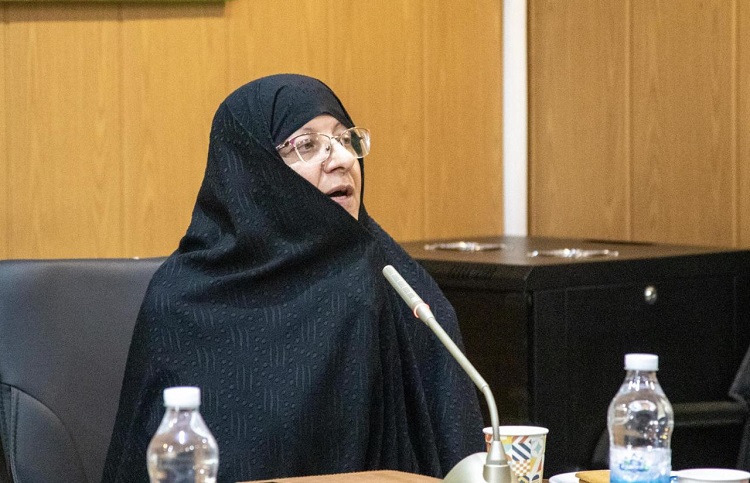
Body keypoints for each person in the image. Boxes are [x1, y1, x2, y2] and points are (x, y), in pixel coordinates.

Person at [102, 74, 483, 483]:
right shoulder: (181, 300)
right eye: (307, 145)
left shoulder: (394, 282)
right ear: (253, 170)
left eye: (345, 139)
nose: (341, 159)